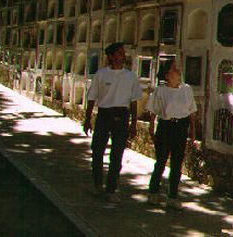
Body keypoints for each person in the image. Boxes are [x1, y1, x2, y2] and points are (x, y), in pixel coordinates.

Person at [83, 42, 142, 203]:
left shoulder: (130, 76)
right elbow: (91, 97)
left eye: (123, 52)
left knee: (117, 153)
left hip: (122, 115)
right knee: (97, 150)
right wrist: (87, 119)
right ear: (111, 56)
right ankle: (97, 183)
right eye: (119, 53)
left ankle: (111, 188)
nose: (123, 55)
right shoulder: (101, 74)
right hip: (104, 114)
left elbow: (134, 101)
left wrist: (133, 123)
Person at [146, 59, 197, 209]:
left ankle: (173, 196)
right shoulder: (160, 90)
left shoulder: (186, 89)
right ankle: (153, 192)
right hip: (165, 127)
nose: (178, 71)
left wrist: (192, 130)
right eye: (174, 69)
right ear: (167, 74)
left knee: (176, 164)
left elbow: (191, 111)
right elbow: (154, 110)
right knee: (161, 161)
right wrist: (150, 127)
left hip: (180, 127)